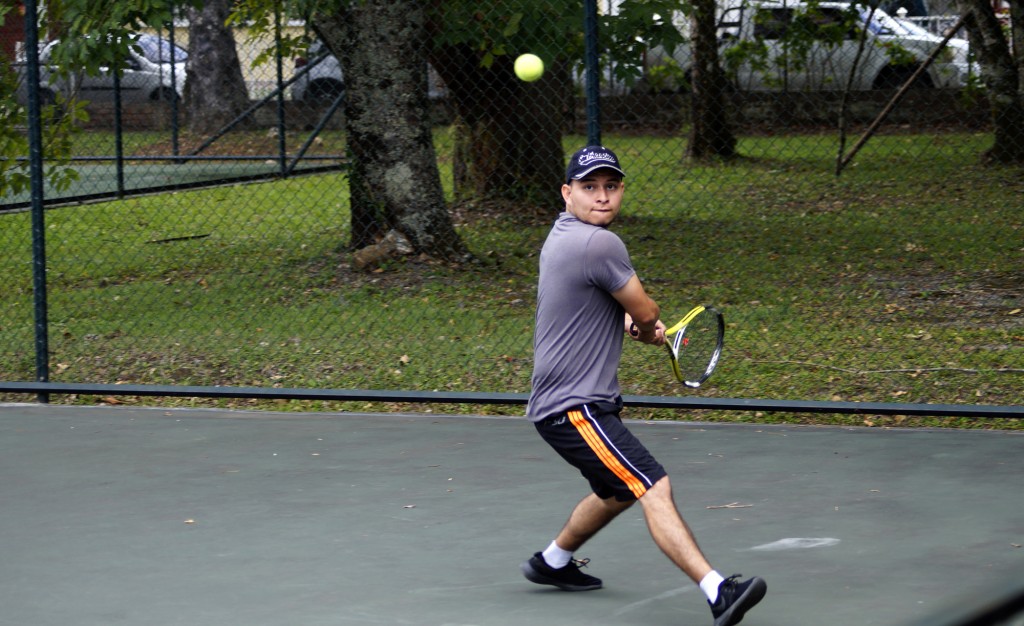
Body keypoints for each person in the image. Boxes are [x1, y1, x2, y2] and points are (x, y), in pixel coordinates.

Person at [520, 146, 766, 626]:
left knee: (618, 491)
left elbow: (603, 306)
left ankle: (551, 562)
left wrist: (633, 323)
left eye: (611, 186)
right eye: (589, 187)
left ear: (621, 189)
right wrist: (644, 320)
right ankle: (719, 591)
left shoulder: (563, 234)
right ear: (567, 192)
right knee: (653, 483)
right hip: (574, 408)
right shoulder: (599, 244)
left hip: (564, 405)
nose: (602, 196)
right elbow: (646, 310)